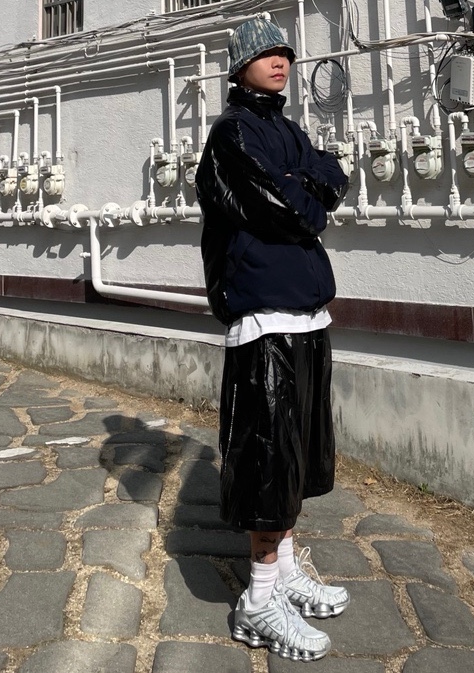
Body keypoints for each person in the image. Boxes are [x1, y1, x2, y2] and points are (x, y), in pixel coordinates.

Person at [195, 17, 349, 663]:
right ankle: (258, 600)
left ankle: (282, 571)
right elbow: (284, 207)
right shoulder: (231, 133)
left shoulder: (287, 128)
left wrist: (308, 183)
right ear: (239, 67)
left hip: (306, 313)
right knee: (267, 457)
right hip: (264, 319)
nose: (279, 60)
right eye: (265, 53)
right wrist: (307, 194)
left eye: (284, 51)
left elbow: (332, 174)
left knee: (296, 455)